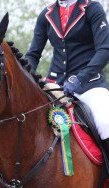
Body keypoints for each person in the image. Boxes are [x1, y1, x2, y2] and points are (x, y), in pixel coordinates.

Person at [25, 0, 109, 156]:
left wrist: (80, 78)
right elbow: (33, 54)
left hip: (89, 84)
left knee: (106, 122)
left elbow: (104, 50)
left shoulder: (92, 8)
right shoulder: (46, 14)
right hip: (55, 86)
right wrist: (25, 77)